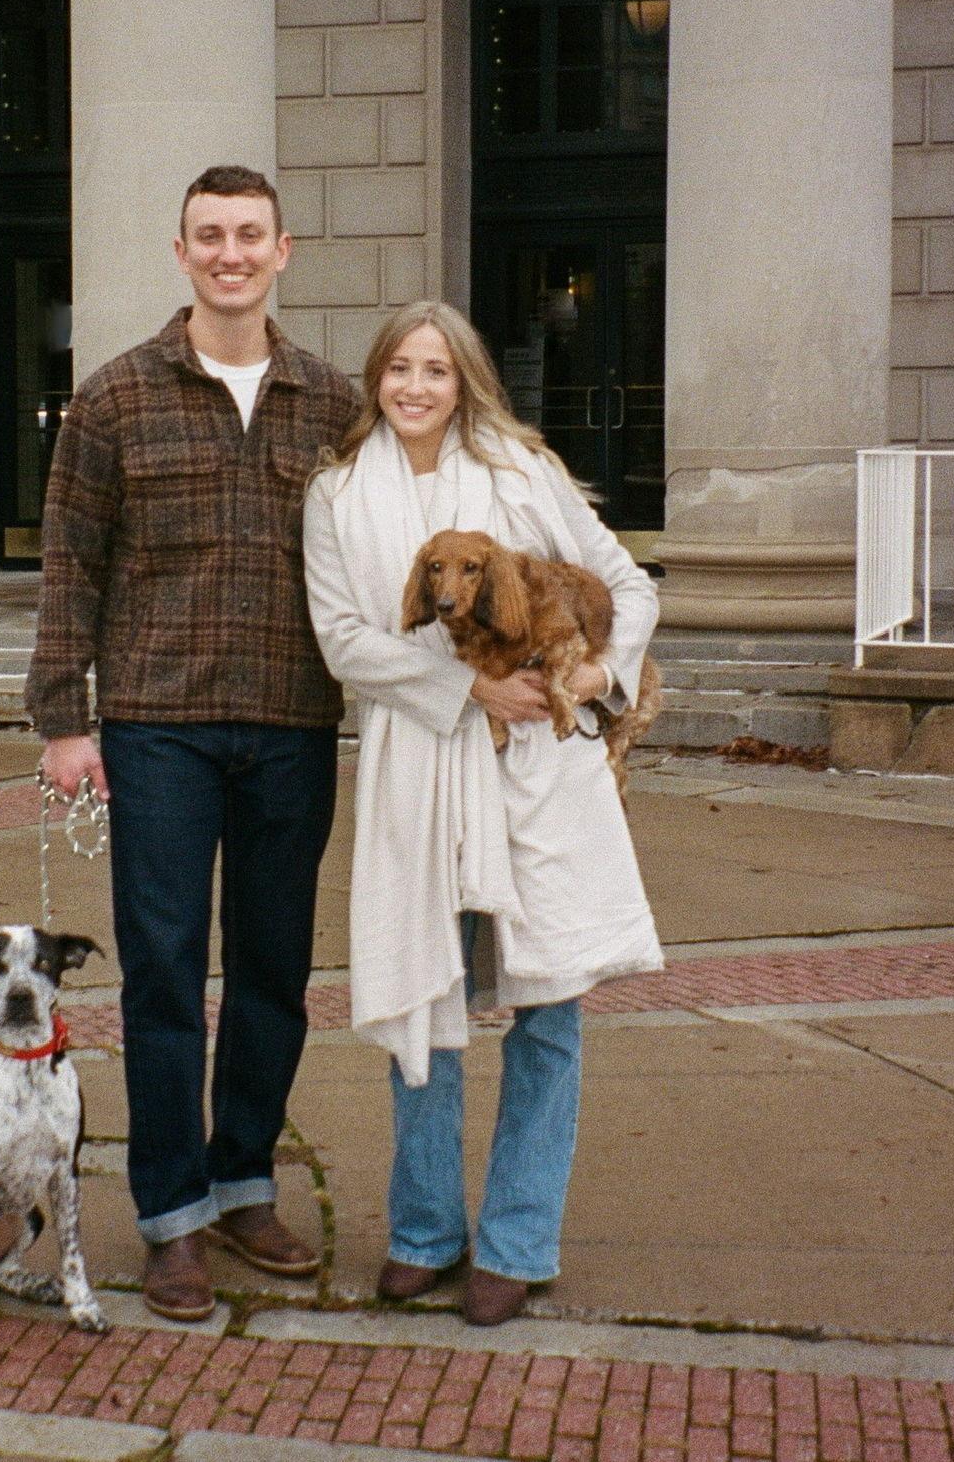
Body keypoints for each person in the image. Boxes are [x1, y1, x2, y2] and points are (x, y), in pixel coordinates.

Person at [24, 165, 359, 1321]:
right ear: (181, 253)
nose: (230, 253)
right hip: (157, 723)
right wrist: (64, 719)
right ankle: (168, 1216)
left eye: (249, 235)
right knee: (164, 971)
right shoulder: (114, 400)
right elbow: (70, 564)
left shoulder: (333, 404)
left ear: (283, 250)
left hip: (290, 720)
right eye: (209, 235)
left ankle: (242, 1183)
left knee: (272, 971)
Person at [302, 300, 662, 1326]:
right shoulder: (336, 493)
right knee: (428, 992)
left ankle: (515, 1237)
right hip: (419, 762)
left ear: (465, 383)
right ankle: (422, 1230)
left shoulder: (517, 472)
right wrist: (464, 689)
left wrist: (594, 675)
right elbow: (341, 640)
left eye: (437, 370)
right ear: (376, 378)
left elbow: (626, 587)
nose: (415, 387)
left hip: (538, 771)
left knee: (546, 1005)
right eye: (399, 368)